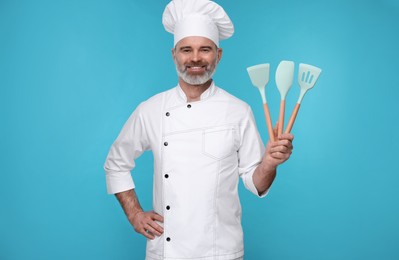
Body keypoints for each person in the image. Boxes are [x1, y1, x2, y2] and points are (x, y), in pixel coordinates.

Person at [104, 0, 294, 259]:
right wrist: (134, 214)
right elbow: (116, 163)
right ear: (174, 55)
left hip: (221, 253)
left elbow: (255, 181)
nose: (195, 58)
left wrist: (270, 164)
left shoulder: (238, 110)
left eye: (205, 49)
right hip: (165, 252)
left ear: (218, 54)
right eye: (186, 50)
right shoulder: (151, 109)